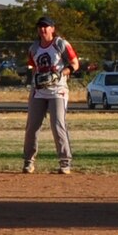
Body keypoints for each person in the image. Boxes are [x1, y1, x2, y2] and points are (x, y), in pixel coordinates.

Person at [22, 16, 81, 175]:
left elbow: (75, 64)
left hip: (58, 91)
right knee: (32, 127)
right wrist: (34, 85)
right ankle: (29, 161)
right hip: (39, 91)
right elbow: (34, 68)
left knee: (57, 125)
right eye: (40, 27)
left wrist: (62, 73)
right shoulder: (34, 48)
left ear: (52, 29)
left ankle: (65, 162)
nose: (43, 29)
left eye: (46, 26)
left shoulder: (60, 44)